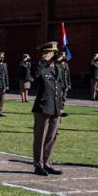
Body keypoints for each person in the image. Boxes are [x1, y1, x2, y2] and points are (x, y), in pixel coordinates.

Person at [30, 41, 62, 176]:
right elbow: (34, 77)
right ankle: (38, 165)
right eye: (45, 52)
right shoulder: (39, 67)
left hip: (55, 108)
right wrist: (42, 63)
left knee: (51, 137)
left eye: (49, 53)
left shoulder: (58, 69)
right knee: (40, 137)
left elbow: (59, 89)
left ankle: (47, 163)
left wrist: (61, 107)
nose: (47, 55)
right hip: (42, 107)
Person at [55, 52, 71, 118]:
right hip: (59, 84)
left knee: (64, 98)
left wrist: (69, 84)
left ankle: (62, 109)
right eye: (63, 56)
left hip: (65, 84)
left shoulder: (66, 64)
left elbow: (68, 75)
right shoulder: (57, 64)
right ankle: (59, 110)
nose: (64, 57)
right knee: (59, 97)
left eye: (64, 56)